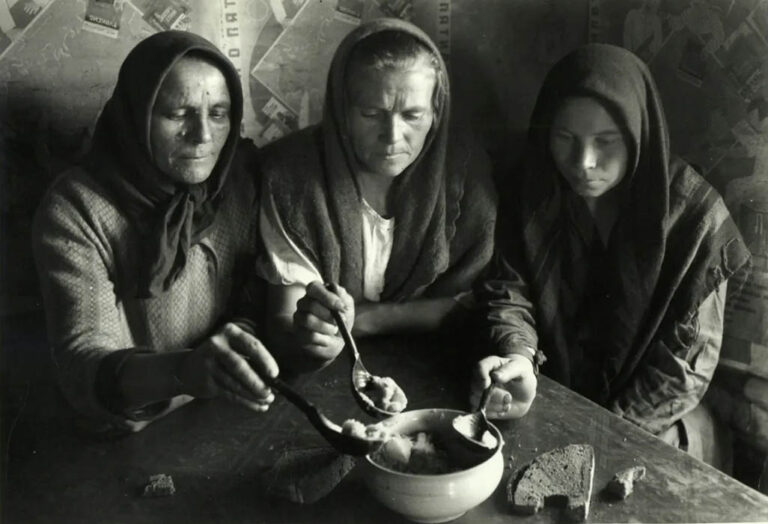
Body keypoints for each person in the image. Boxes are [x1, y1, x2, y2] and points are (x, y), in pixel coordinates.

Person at [476, 43, 750, 463]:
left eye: (606, 141)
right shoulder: (534, 193)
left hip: (655, 421)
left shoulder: (695, 220)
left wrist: (597, 437)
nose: (583, 162)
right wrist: (517, 355)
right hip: (551, 395)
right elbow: (510, 291)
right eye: (565, 138)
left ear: (639, 133)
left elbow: (684, 367)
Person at [254, 19, 534, 417]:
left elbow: (473, 299)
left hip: (441, 370)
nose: (392, 135)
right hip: (323, 379)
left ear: (436, 112)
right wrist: (313, 338)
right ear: (342, 109)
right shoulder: (292, 175)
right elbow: (286, 316)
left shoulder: (464, 168)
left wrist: (364, 321)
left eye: (413, 115)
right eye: (372, 113)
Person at [32, 31, 278, 434]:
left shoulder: (238, 183)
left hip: (226, 413)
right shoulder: (76, 208)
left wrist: (240, 348)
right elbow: (83, 366)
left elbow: (254, 299)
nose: (202, 136)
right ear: (136, 115)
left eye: (218, 113)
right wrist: (184, 372)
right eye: (178, 114)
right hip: (117, 437)